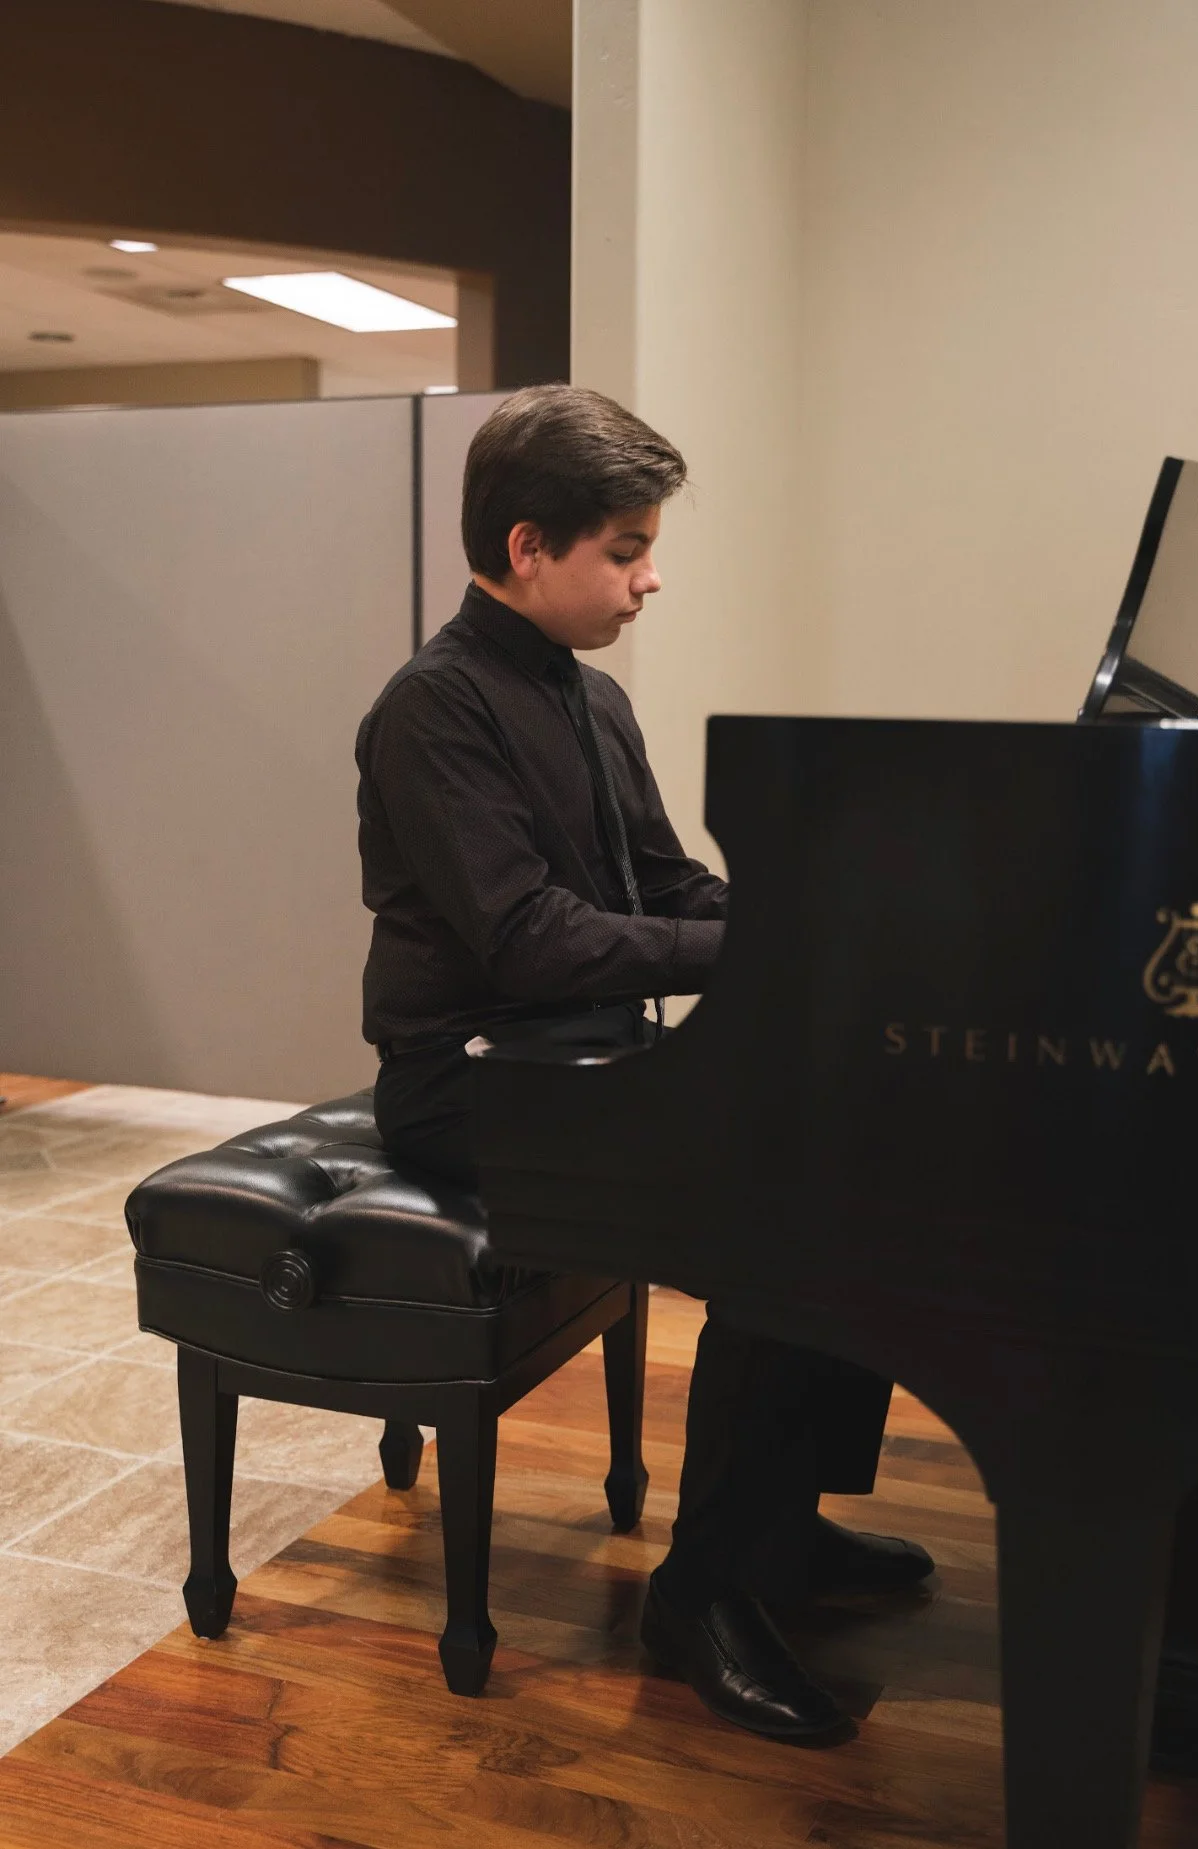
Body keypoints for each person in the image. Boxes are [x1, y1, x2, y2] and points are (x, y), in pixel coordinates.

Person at [355, 384, 933, 1742]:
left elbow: (663, 883)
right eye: (623, 549)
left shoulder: (592, 702)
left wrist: (814, 920)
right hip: (473, 1081)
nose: (648, 577)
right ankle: (704, 1595)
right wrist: (765, 957)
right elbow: (531, 946)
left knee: (860, 1158)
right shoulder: (431, 709)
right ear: (523, 549)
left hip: (582, 1057)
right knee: (783, 1212)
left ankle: (774, 1530)